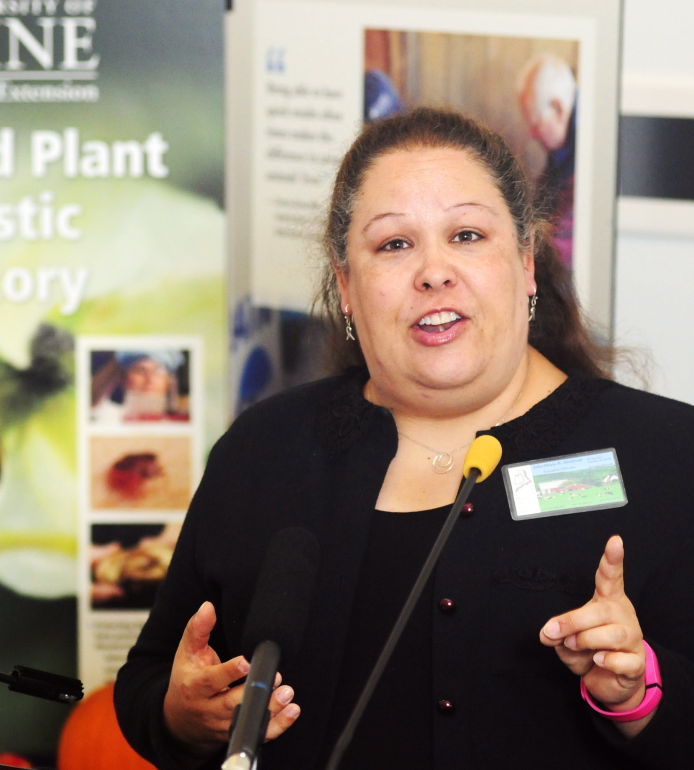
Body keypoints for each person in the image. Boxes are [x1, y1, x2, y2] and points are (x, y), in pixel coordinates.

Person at [113, 108, 694, 769]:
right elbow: (147, 684)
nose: (433, 272)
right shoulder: (263, 451)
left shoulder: (667, 456)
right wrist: (186, 714)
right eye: (394, 245)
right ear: (346, 288)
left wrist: (637, 695)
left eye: (468, 234)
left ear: (526, 264)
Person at [518, 53, 577, 269]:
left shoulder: (587, 163)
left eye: (535, 122)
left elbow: (560, 250)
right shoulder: (560, 153)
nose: (532, 133)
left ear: (558, 108)